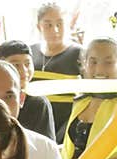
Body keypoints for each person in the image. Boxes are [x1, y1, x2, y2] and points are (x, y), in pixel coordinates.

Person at [29, 2, 82, 144]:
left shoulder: (79, 54)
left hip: (67, 125)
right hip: (35, 123)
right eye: (48, 25)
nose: (55, 30)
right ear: (38, 26)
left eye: (60, 24)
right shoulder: (30, 52)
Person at [0, 39, 54, 141]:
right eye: (16, 65)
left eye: (27, 64)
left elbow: (46, 144)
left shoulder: (38, 102)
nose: (24, 71)